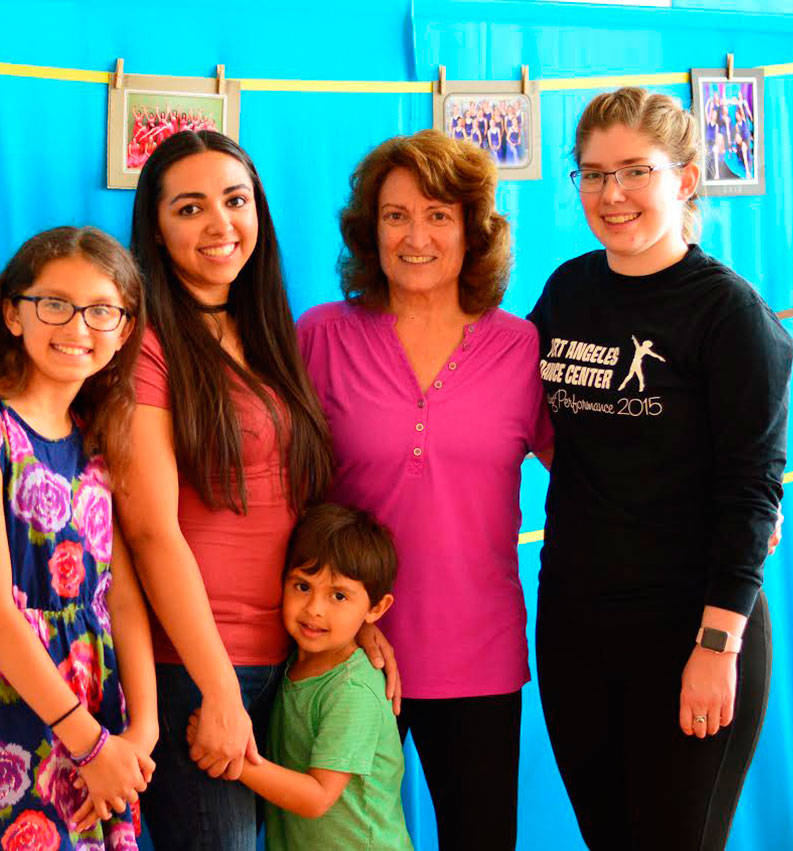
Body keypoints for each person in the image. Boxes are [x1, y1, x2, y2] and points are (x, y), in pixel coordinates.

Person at [528, 87, 793, 850]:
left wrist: (717, 647)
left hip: (690, 628)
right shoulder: (570, 289)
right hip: (576, 622)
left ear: (683, 178)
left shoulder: (728, 314)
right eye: (593, 173)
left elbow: (751, 489)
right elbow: (545, 421)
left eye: (634, 171)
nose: (612, 194)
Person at [297, 129, 551, 850]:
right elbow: (285, 489)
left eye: (439, 215)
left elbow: (601, 474)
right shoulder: (319, 337)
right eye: (396, 215)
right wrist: (345, 617)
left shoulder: (520, 348)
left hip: (479, 654)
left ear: (473, 231)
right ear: (368, 230)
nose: (417, 236)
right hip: (342, 652)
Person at [0, 226, 158, 849]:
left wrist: (139, 735)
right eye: (54, 304)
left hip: (100, 709)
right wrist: (87, 742)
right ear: (14, 314)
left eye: (101, 311)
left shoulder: (96, 439)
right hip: (9, 704)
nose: (77, 327)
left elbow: (121, 598)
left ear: (124, 330)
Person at [117, 129, 333, 849]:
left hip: (290, 657)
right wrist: (215, 688)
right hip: (197, 665)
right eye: (190, 207)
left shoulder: (269, 332)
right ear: (155, 225)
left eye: (235, 201)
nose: (220, 224)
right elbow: (150, 530)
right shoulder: (144, 343)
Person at [190, 503, 413, 850]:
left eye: (338, 595)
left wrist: (234, 758)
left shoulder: (352, 688)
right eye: (302, 586)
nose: (315, 608)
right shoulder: (292, 662)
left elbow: (318, 797)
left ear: (376, 609)